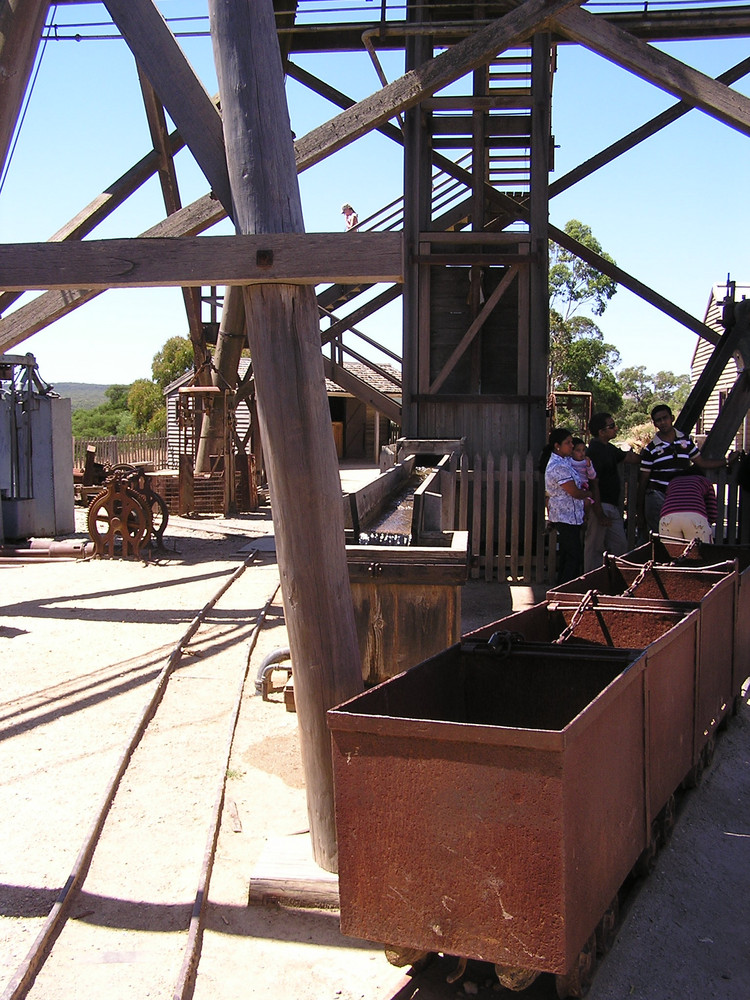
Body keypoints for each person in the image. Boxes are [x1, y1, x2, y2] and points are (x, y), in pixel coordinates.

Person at [637, 403, 729, 535]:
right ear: (655, 424)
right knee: (661, 537)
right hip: (658, 496)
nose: (662, 422)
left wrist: (726, 461)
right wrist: (639, 512)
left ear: (672, 418)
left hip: (679, 497)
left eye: (665, 418)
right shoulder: (651, 449)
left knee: (680, 538)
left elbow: (701, 462)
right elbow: (643, 481)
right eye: (658, 420)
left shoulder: (685, 441)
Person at [584, 412, 641, 571]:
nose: (616, 428)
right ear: (601, 432)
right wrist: (599, 513)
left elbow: (628, 457)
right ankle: (591, 580)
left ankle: (615, 578)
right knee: (595, 548)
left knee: (620, 545)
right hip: (599, 506)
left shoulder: (609, 449)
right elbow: (593, 484)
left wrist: (650, 456)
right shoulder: (594, 452)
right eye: (612, 426)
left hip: (612, 507)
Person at [540, 428, 590, 584]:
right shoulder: (558, 466)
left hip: (571, 516)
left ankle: (562, 585)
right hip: (565, 516)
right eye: (567, 443)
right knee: (573, 555)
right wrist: (588, 494)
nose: (571, 445)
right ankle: (567, 587)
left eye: (571, 442)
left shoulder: (565, 461)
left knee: (568, 554)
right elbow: (574, 492)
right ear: (557, 446)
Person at [658, 467, 717, 541]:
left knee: (672, 548)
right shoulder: (704, 481)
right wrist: (708, 523)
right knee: (700, 548)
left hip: (668, 517)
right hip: (695, 518)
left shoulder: (673, 482)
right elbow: (712, 512)